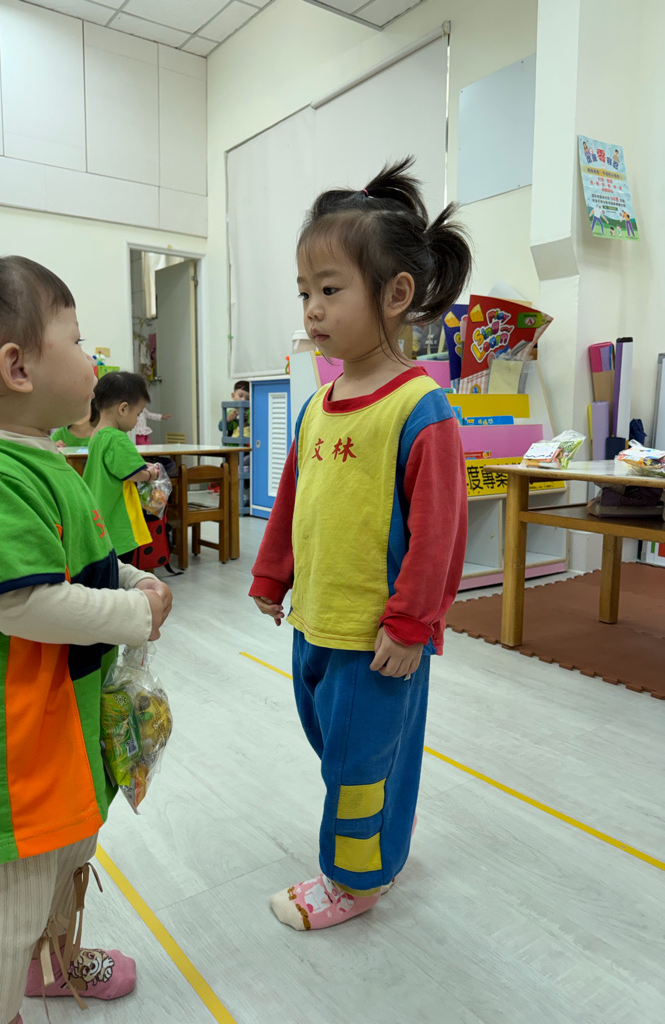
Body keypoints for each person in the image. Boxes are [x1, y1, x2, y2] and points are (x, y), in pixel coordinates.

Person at [0, 230, 173, 1024]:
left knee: (60, 858)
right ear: (18, 367)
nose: (93, 360)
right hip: (6, 745)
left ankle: (50, 962)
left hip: (55, 723)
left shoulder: (44, 458)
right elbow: (22, 603)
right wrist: (134, 614)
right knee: (5, 905)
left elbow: (76, 561)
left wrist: (128, 578)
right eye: (80, 340)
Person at [250, 158, 470, 931]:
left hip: (379, 638)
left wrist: (412, 625)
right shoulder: (319, 405)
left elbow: (440, 534)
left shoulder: (420, 409)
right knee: (349, 753)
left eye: (330, 290)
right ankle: (382, 848)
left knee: (356, 765)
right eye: (305, 293)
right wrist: (272, 576)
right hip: (316, 622)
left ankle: (353, 881)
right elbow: (293, 501)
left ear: (396, 294)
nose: (313, 309)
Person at [84, 371, 163, 564]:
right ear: (123, 409)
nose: (137, 420)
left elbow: (118, 465)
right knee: (122, 568)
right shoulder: (117, 437)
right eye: (138, 414)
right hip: (117, 520)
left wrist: (140, 466)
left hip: (100, 512)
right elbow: (134, 474)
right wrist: (150, 474)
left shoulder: (97, 434)